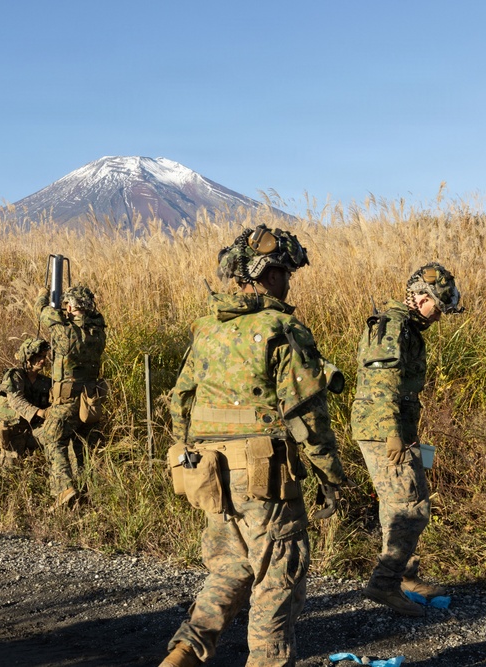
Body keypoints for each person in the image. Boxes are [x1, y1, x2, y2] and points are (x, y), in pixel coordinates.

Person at [160, 225, 346, 667]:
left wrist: (193, 455)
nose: (289, 283)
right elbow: (306, 415)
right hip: (263, 475)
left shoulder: (207, 328)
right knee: (278, 575)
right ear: (270, 275)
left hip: (208, 471)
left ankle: (182, 655)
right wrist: (331, 475)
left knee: (231, 567)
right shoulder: (282, 328)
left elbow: (180, 401)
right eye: (286, 274)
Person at [351, 262, 463, 616]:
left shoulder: (406, 328)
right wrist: (392, 433)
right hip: (384, 430)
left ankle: (404, 575)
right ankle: (384, 583)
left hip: (396, 429)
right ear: (420, 297)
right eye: (437, 308)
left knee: (399, 503)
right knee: (410, 508)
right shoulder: (393, 327)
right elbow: (382, 383)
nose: (439, 316)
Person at [35, 284, 107, 509]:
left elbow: (42, 311)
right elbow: (91, 319)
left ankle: (64, 488)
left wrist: (43, 296)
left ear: (70, 307)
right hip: (90, 402)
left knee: (52, 438)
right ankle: (86, 494)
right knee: (81, 446)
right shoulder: (99, 331)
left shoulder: (64, 330)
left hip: (67, 400)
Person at [0, 338, 52, 467]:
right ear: (27, 358)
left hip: (32, 431)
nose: (42, 360)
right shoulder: (15, 376)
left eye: (44, 357)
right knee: (8, 472)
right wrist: (41, 413)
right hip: (12, 433)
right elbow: (16, 401)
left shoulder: (45, 382)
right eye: (38, 357)